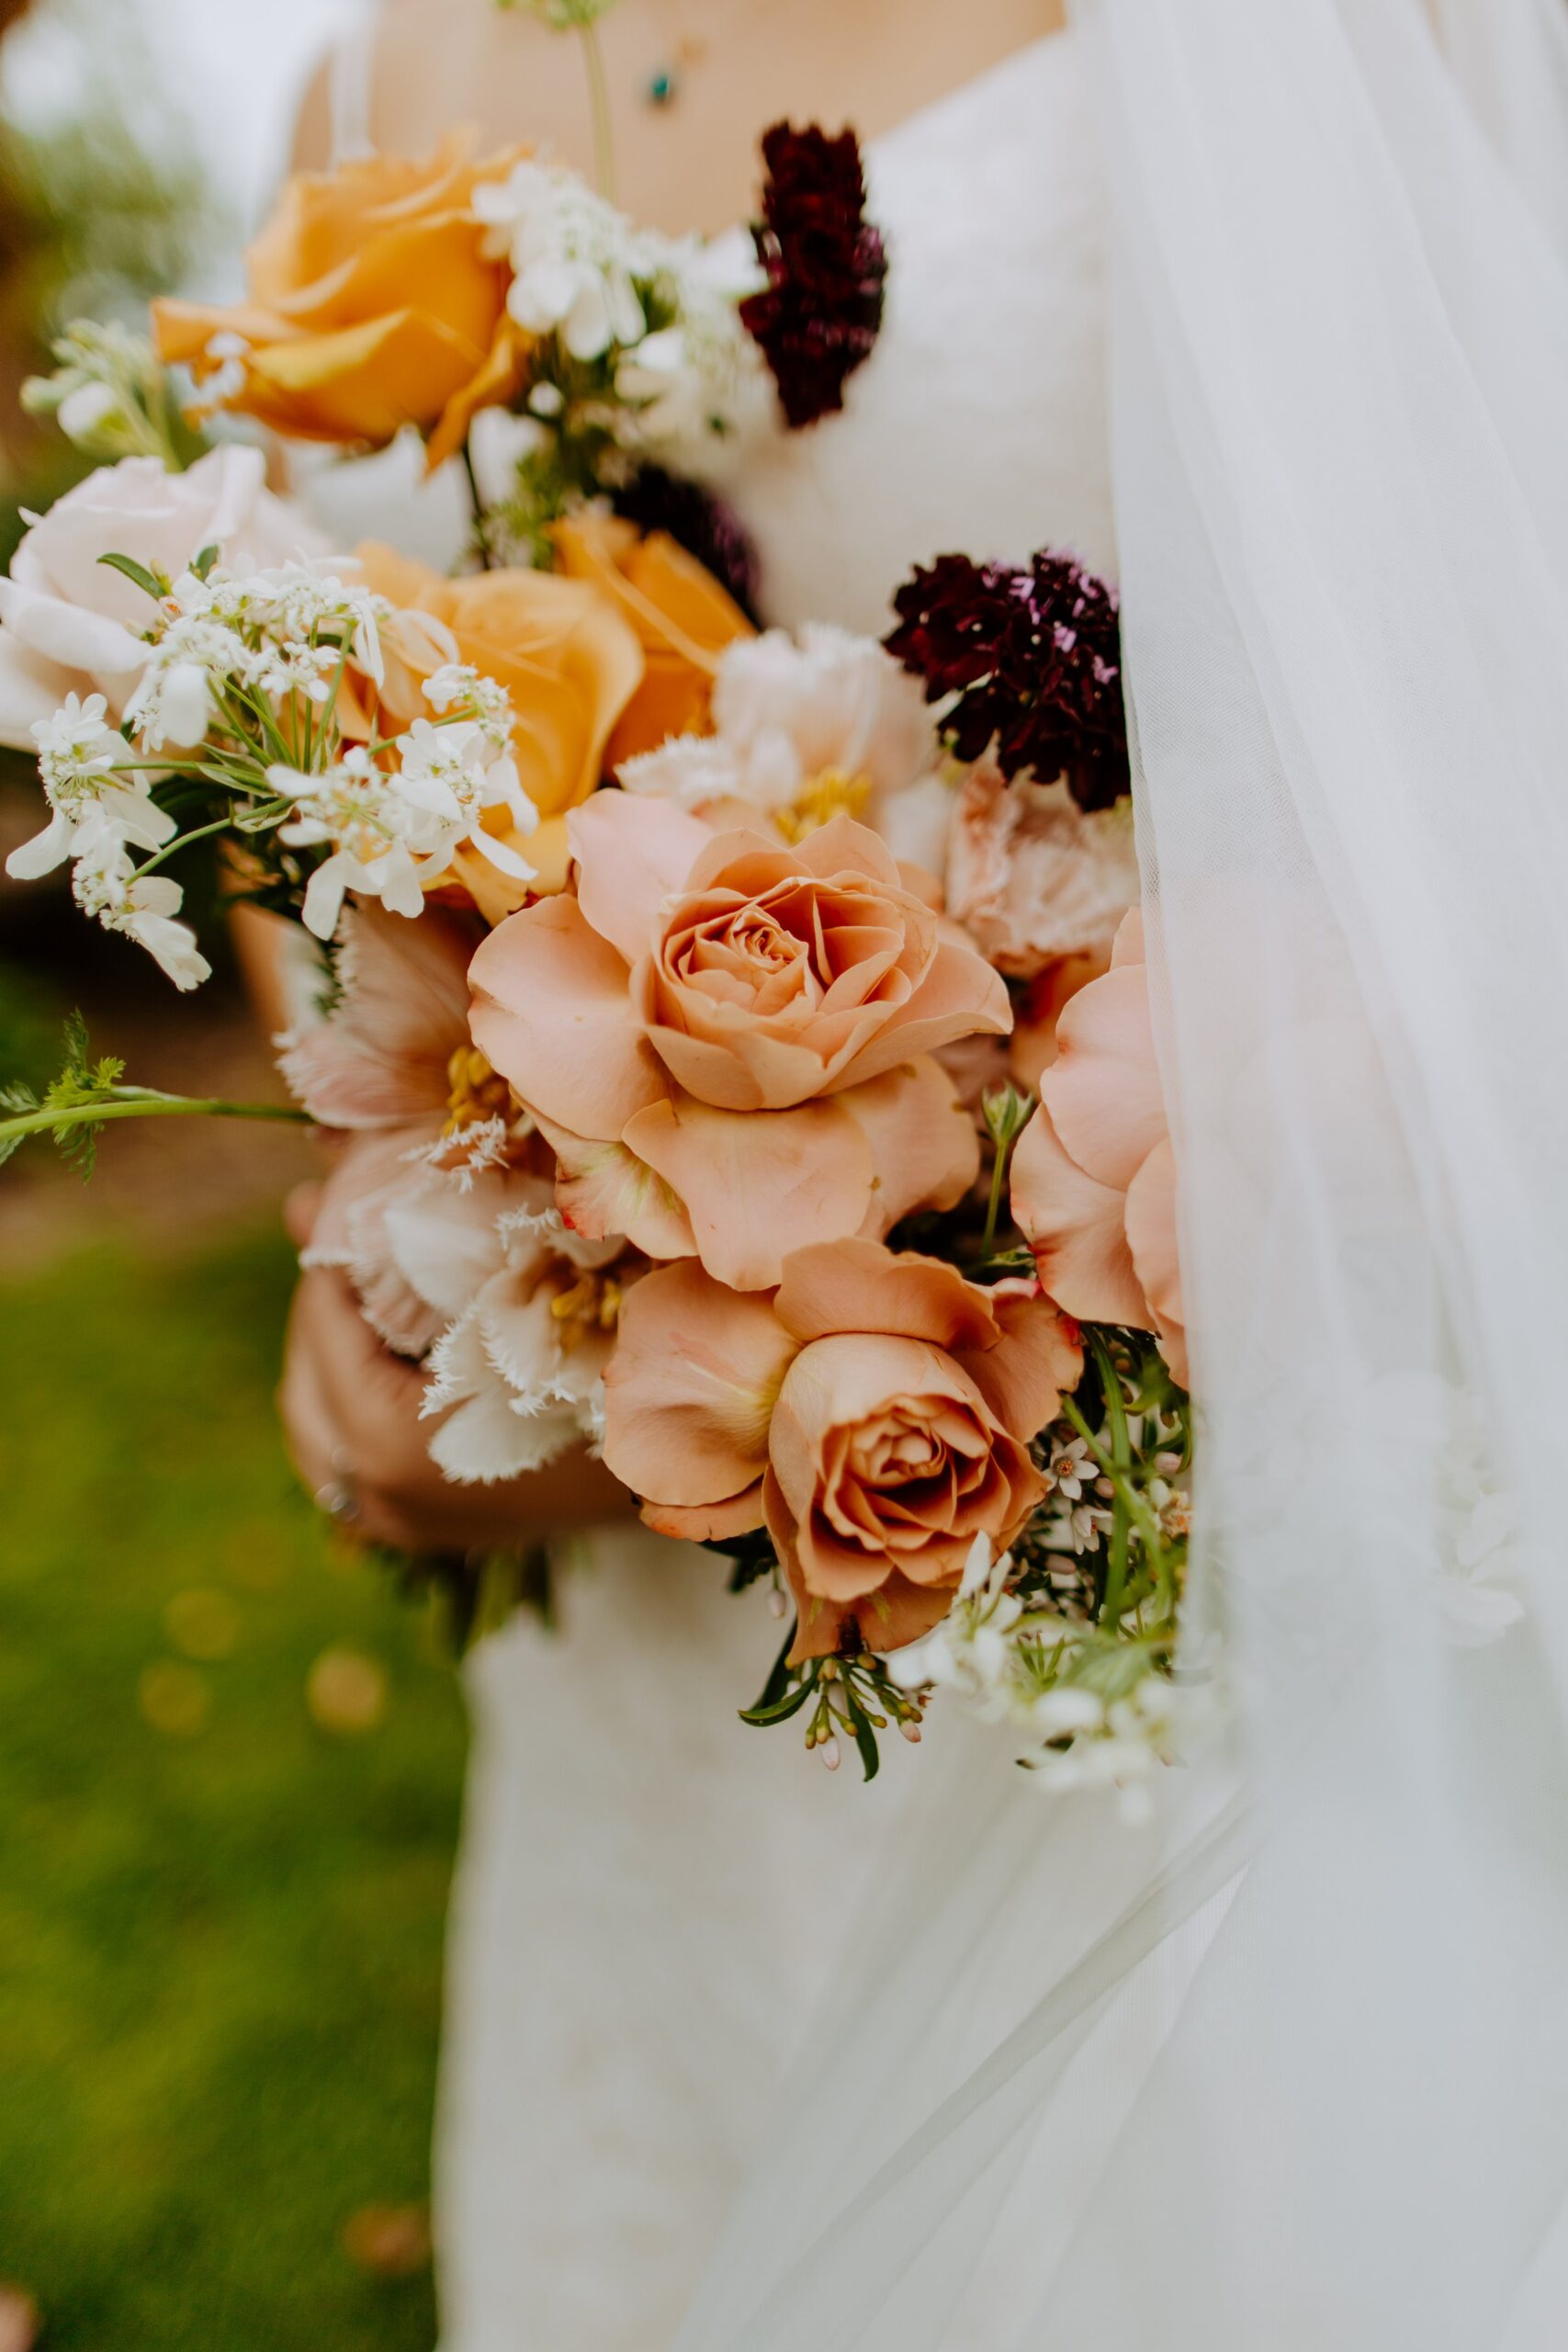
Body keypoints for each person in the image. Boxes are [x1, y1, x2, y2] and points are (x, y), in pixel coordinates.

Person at [277, 4, 1568, 2347]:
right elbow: (308, 779)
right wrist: (402, 1267)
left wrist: (818, 1299)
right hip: (630, 1726)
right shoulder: (371, 76)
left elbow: (1493, 781)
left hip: (1097, 1604)